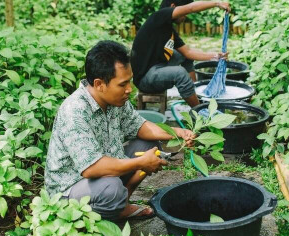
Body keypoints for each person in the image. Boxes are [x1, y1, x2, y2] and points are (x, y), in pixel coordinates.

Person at [45, 40, 194, 221]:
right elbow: (91, 168)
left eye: (129, 82)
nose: (129, 90)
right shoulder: (74, 111)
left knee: (149, 146)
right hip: (69, 189)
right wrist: (141, 163)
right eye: (123, 84)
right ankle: (90, 223)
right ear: (100, 84)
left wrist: (177, 133)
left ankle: (122, 204)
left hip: (103, 175)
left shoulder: (115, 101)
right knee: (112, 188)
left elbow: (140, 126)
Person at [131, 0, 230, 107]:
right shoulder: (158, 17)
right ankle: (198, 111)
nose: (185, 16)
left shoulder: (168, 29)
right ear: (173, 6)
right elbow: (191, 8)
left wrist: (216, 56)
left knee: (184, 56)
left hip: (157, 67)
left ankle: (193, 90)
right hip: (145, 78)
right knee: (179, 73)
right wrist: (217, 3)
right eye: (184, 12)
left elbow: (188, 52)